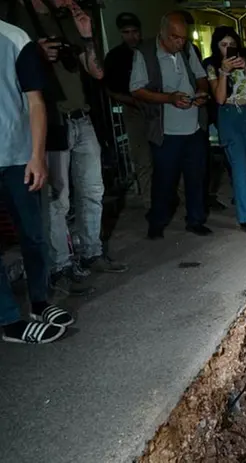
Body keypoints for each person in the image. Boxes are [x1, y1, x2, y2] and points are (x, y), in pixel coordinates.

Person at [11, 0, 126, 298]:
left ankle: (91, 251)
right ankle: (61, 266)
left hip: (81, 117)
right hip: (52, 121)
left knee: (92, 189)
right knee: (57, 199)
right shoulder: (16, 17)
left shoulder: (66, 19)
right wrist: (36, 53)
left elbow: (96, 73)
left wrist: (86, 36)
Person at [0, 19, 73, 344]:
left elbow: (35, 101)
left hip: (17, 156)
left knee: (34, 233)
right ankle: (10, 321)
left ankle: (40, 303)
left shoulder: (15, 38)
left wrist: (37, 155)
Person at [130, 12, 212, 239]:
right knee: (164, 182)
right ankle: (157, 222)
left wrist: (202, 92)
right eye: (175, 38)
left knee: (196, 178)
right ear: (163, 34)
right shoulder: (145, 53)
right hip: (167, 132)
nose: (180, 42)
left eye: (183, 38)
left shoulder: (187, 49)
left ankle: (195, 220)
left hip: (194, 127)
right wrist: (169, 98)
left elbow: (200, 75)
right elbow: (136, 90)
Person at [204, 26, 246, 234]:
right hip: (229, 115)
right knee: (239, 166)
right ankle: (245, 217)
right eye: (223, 45)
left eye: (232, 44)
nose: (228, 49)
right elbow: (220, 98)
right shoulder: (213, 66)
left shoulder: (244, 62)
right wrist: (224, 72)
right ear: (216, 47)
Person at [104, 13, 150, 203]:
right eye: (126, 32)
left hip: (158, 108)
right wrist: (134, 101)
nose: (131, 36)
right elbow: (110, 89)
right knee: (143, 159)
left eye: (134, 32)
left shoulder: (149, 50)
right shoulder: (115, 57)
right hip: (134, 111)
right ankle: (150, 202)